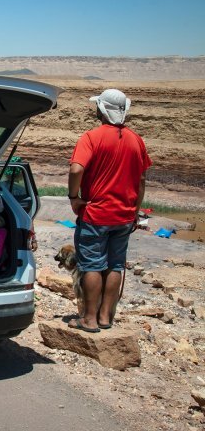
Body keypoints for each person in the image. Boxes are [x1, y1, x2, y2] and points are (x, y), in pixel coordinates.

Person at [67, 89, 152, 333]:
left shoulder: (91, 137)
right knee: (115, 265)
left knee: (92, 264)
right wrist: (134, 211)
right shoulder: (137, 140)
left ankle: (89, 319)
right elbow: (142, 178)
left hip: (96, 214)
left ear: (102, 109)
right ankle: (105, 318)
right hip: (124, 216)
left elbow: (75, 170)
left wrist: (74, 198)